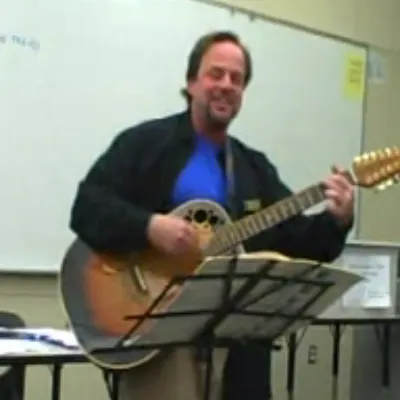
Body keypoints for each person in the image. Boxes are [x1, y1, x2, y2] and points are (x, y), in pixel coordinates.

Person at [69, 31, 354, 400]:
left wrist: (337, 220)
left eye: (236, 79)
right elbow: (87, 206)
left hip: (238, 352)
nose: (226, 85)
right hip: (160, 345)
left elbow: (297, 240)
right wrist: (149, 227)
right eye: (216, 74)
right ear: (191, 82)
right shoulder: (146, 144)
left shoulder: (254, 168)